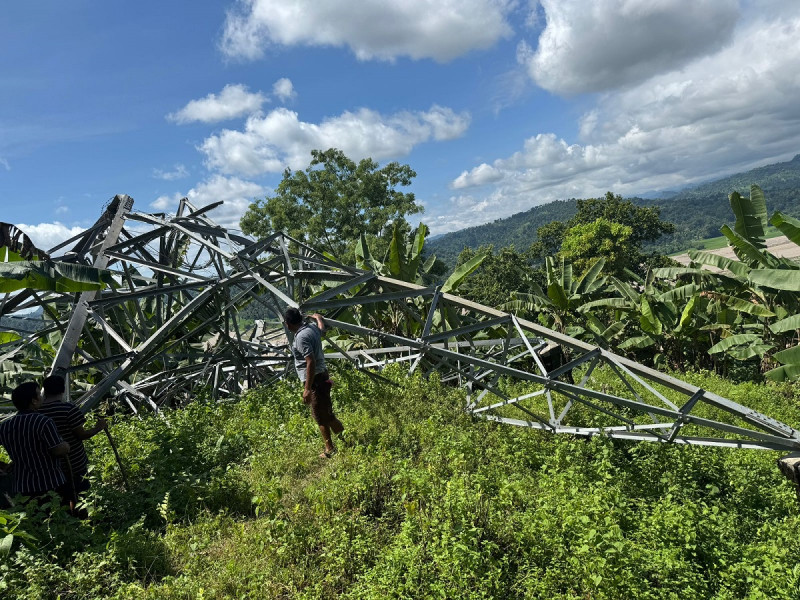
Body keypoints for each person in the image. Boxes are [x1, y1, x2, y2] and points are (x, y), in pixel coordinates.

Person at [283, 308, 344, 458]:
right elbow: (322, 330)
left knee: (319, 416)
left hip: (316, 380)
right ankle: (345, 438)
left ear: (288, 324)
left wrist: (307, 389)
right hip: (322, 376)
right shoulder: (311, 328)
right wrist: (318, 319)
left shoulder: (301, 338)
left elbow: (310, 362)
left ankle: (330, 449)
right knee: (327, 413)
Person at [0, 382, 70, 502]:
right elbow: (57, 450)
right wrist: (66, 446)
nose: (42, 397)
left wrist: (5, 466)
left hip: (22, 487)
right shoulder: (43, 422)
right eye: (39, 394)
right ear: (34, 401)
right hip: (50, 483)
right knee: (56, 518)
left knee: (33, 519)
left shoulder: (5, 426)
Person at [39, 375, 107, 498]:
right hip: (74, 462)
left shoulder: (37, 412)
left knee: (60, 498)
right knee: (81, 495)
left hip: (49, 467)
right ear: (63, 390)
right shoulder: (68, 409)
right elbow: (82, 434)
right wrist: (98, 427)